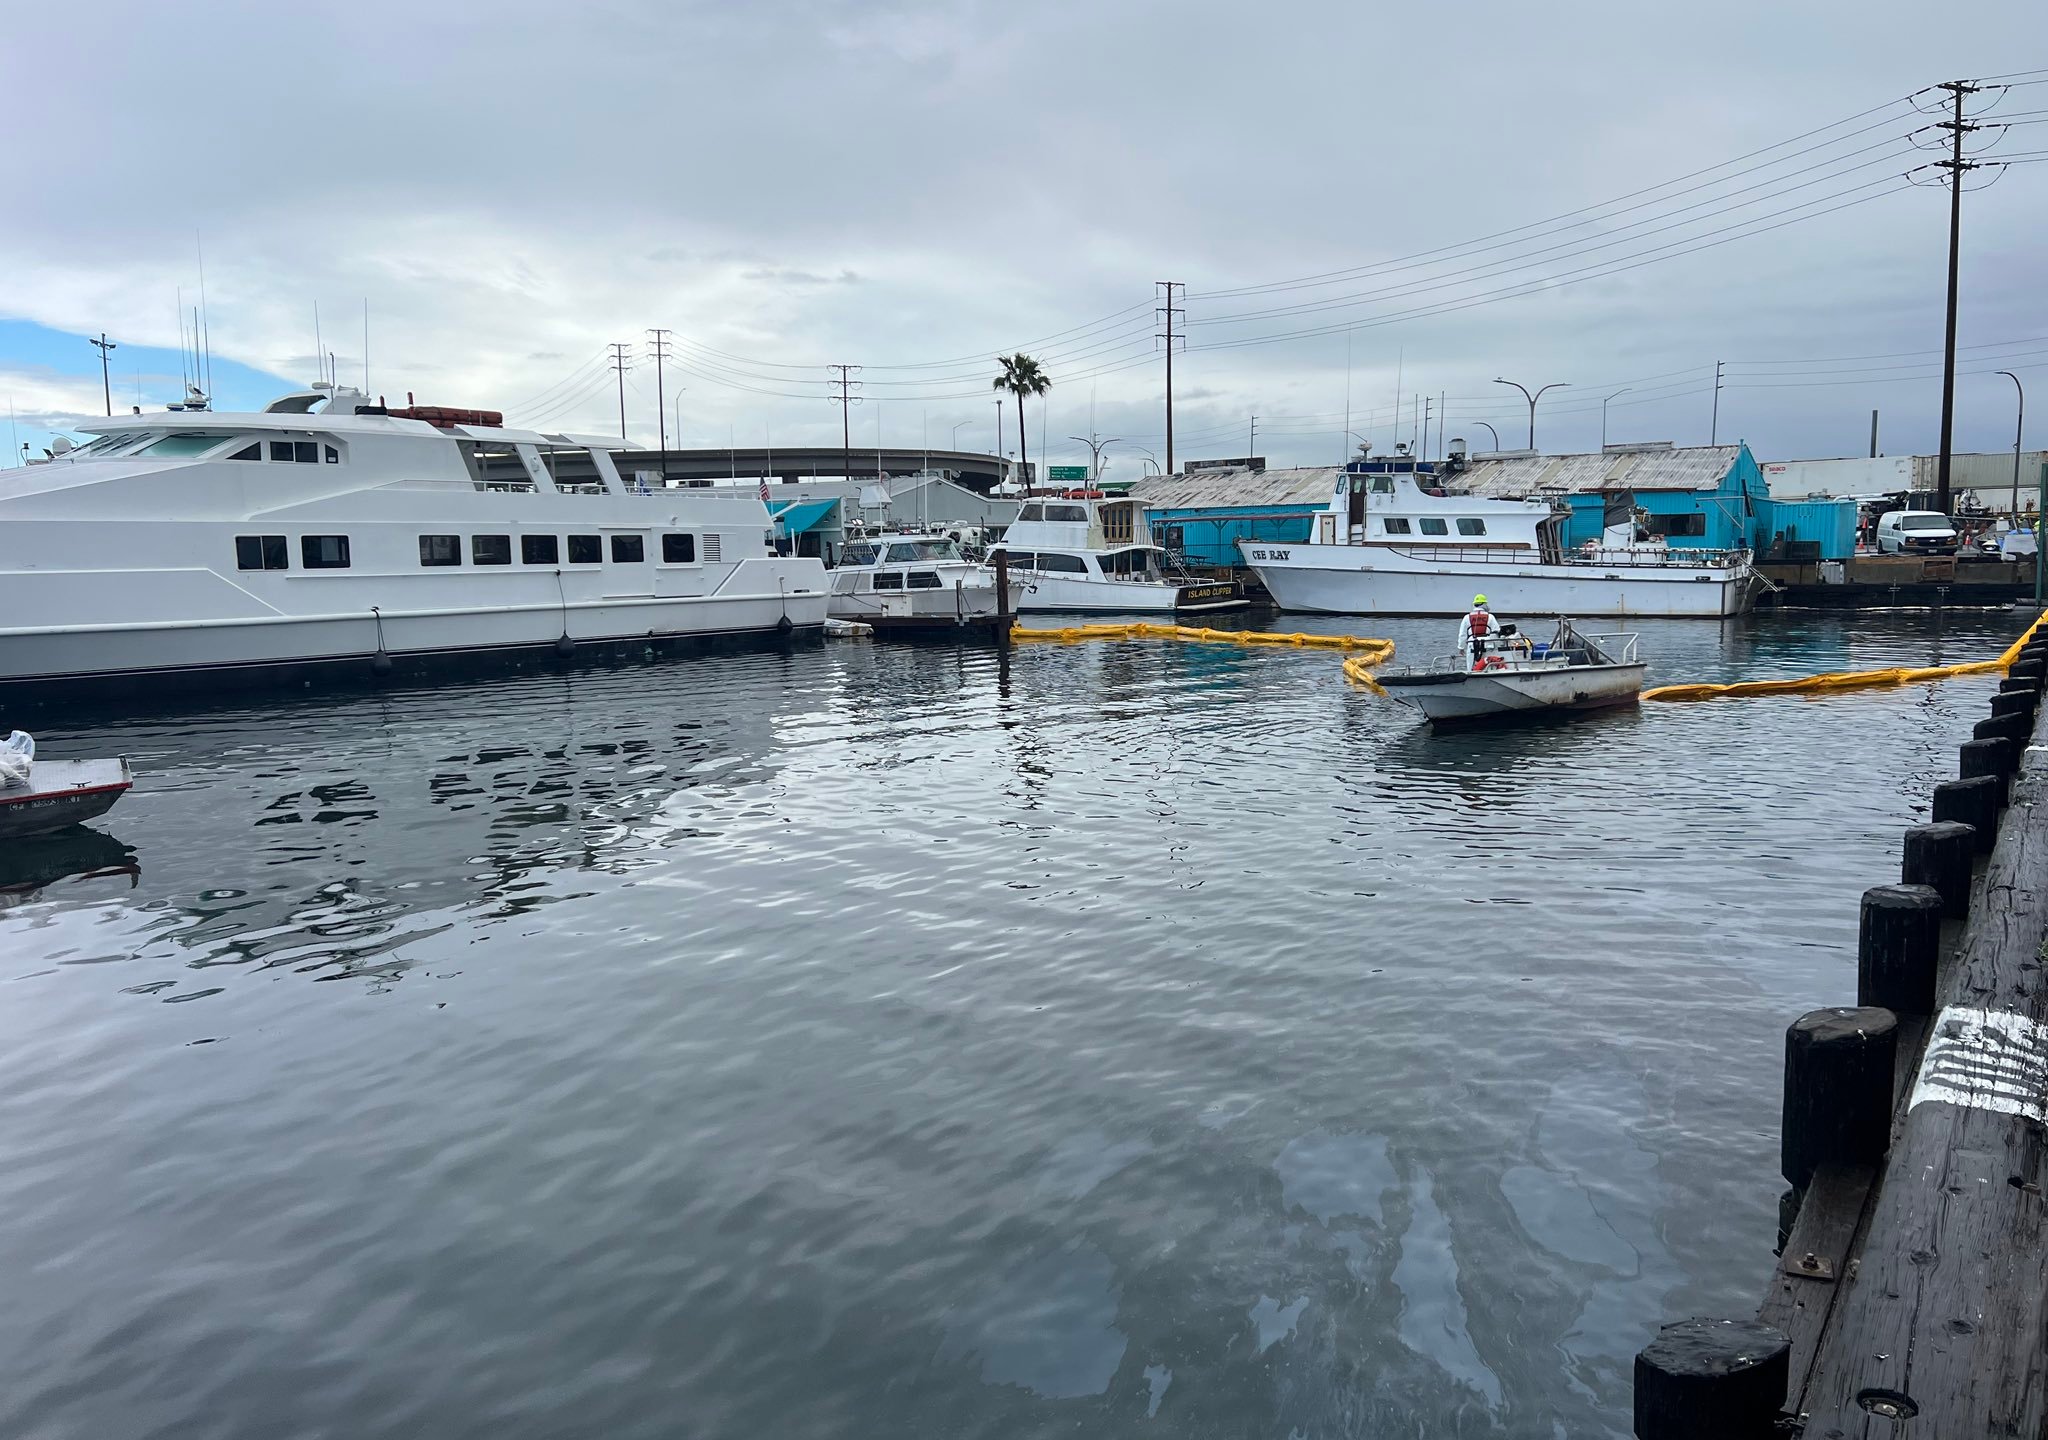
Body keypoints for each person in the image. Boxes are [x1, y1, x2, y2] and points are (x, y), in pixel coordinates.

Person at [1457, 595, 1499, 669]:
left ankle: (1471, 673)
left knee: (1471, 666)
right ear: (1484, 604)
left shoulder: (1467, 617)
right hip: (1487, 644)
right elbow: (1497, 631)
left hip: (1472, 644)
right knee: (1488, 665)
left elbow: (1462, 634)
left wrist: (1461, 647)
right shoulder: (1490, 617)